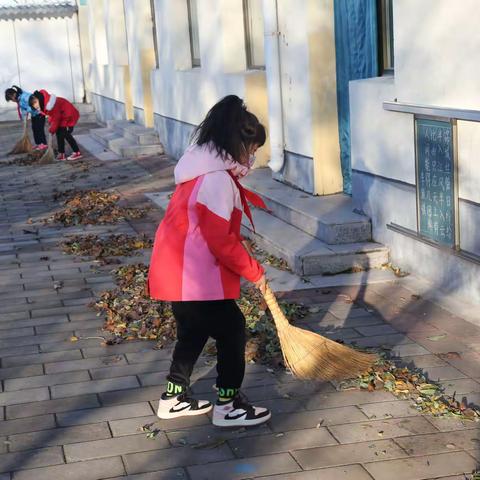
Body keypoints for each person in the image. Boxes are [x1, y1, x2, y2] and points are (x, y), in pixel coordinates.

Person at [148, 95, 271, 427]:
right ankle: (228, 405)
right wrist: (254, 271)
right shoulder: (216, 179)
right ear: (238, 144)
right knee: (233, 330)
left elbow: (204, 227)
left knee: (193, 332)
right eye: (253, 148)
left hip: (177, 271)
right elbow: (220, 240)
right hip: (196, 276)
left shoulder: (200, 170)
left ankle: (174, 398)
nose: (254, 156)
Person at [29, 89, 82, 161]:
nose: (35, 106)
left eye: (35, 103)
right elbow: (52, 116)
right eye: (33, 105)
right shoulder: (44, 103)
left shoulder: (50, 104)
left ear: (38, 99)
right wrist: (52, 125)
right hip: (62, 115)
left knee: (65, 134)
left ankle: (77, 152)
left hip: (68, 115)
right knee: (59, 133)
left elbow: (56, 118)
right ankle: (61, 153)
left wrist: (51, 130)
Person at [4, 85, 47, 150]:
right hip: (34, 115)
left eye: (11, 99)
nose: (12, 101)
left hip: (39, 113)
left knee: (39, 129)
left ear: (13, 95)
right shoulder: (19, 100)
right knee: (34, 129)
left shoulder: (24, 96)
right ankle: (38, 144)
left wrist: (28, 110)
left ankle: (44, 144)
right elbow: (23, 109)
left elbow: (33, 103)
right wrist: (24, 118)